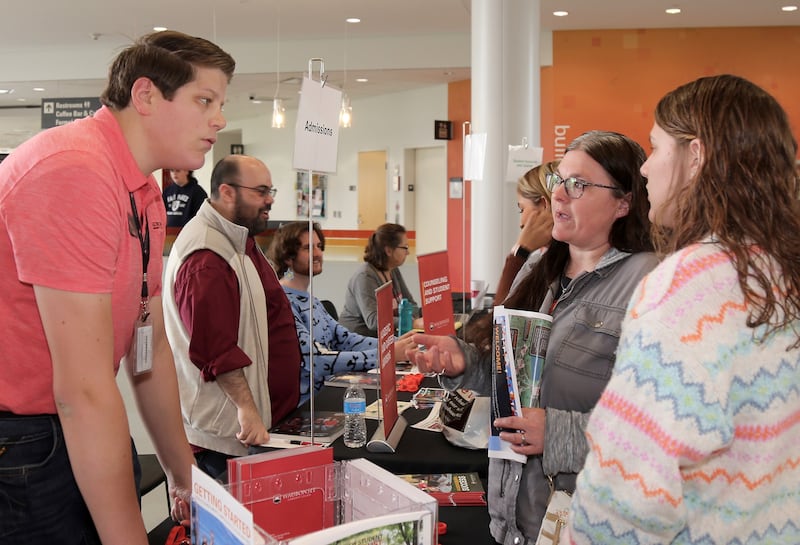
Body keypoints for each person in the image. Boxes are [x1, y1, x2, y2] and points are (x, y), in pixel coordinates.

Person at [0, 30, 234, 545]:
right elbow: (81, 393)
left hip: (69, 429)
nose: (219, 119)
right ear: (146, 96)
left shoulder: (142, 187)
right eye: (204, 101)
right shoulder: (74, 171)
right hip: (24, 441)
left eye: (220, 104)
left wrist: (182, 472)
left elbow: (147, 350)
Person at [566, 76, 800, 544]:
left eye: (655, 148)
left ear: (696, 156)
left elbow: (629, 487)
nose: (646, 169)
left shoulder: (690, 285)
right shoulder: (778, 271)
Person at [410, 130, 658, 543]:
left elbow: (656, 431)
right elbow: (516, 377)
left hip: (590, 522)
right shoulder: (540, 267)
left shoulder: (648, 282)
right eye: (558, 181)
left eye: (578, 185)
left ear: (624, 202)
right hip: (515, 516)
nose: (558, 196)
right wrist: (467, 362)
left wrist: (558, 434)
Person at [162, 155, 302, 479]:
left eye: (271, 191)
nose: (269, 201)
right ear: (227, 192)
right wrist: (247, 409)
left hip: (256, 427)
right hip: (228, 437)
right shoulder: (207, 258)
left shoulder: (238, 238)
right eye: (261, 191)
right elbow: (215, 349)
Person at [268, 221, 417, 405]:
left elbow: (346, 340)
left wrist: (394, 344)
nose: (317, 254)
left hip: (328, 395)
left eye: (319, 247)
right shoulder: (283, 303)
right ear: (288, 257)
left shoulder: (310, 300)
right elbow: (317, 360)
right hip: (306, 407)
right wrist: (387, 354)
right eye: (308, 248)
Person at [493, 160, 559, 305]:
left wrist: (520, 253)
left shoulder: (550, 267)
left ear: (544, 206)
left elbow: (501, 321)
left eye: (522, 209)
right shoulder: (541, 259)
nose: (521, 223)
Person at [339, 222, 423, 337]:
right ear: (388, 250)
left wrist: (413, 320)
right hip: (358, 342)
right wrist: (411, 322)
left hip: (387, 338)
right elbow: (373, 321)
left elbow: (410, 304)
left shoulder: (393, 270)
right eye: (405, 248)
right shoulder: (364, 277)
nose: (407, 252)